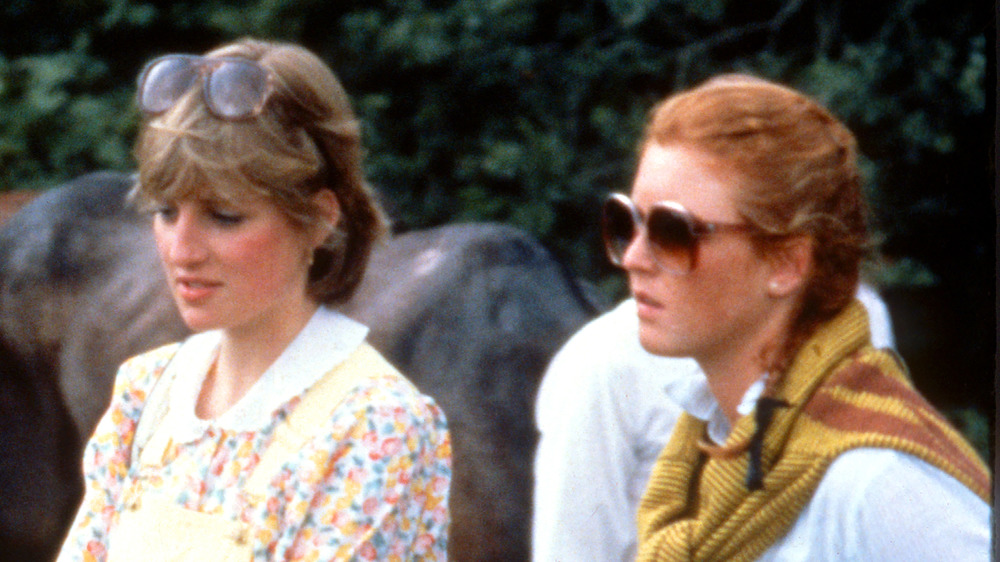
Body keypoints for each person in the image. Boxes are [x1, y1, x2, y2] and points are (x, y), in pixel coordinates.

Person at [56, 39, 451, 561]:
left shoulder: (376, 424)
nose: (181, 251)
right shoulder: (145, 395)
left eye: (224, 216)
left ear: (319, 218)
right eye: (166, 210)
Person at [602, 74, 988, 561]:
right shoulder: (709, 455)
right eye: (626, 221)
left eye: (673, 232)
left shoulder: (876, 482)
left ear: (786, 264)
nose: (634, 257)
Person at [531, 285, 895, 562]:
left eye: (676, 231)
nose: (636, 256)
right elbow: (571, 550)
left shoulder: (860, 316)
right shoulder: (605, 361)